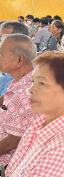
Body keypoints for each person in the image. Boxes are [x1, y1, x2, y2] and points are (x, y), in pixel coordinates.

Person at [0, 34, 39, 167]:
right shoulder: (21, 80)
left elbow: (13, 141)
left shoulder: (26, 93)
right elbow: (7, 101)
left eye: (1, 53)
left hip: (8, 161)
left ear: (19, 60)